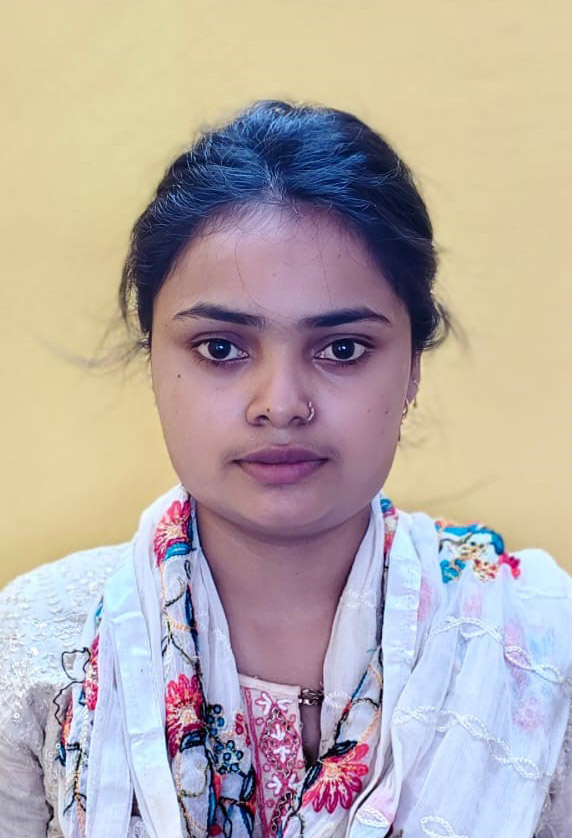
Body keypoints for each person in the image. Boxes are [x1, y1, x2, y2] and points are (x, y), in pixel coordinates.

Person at [0, 100, 570, 838]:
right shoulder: (40, 651)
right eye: (220, 349)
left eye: (342, 350)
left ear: (412, 368)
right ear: (154, 360)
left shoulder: (537, 649)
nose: (281, 404)